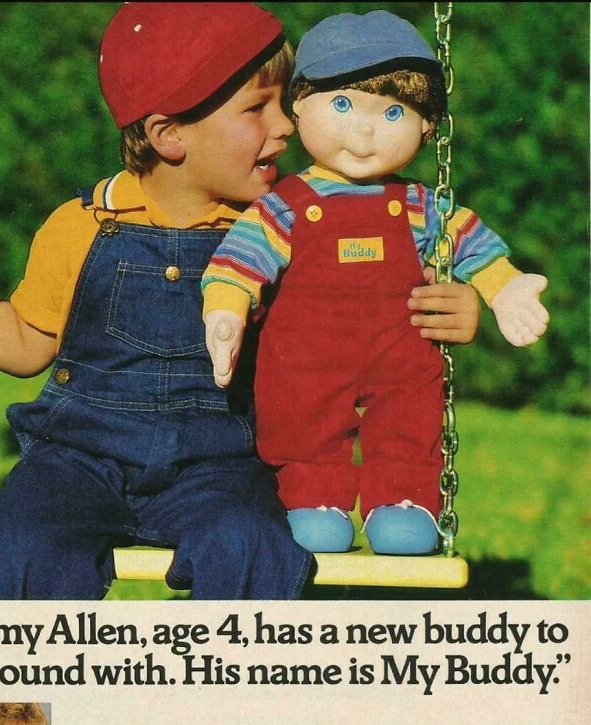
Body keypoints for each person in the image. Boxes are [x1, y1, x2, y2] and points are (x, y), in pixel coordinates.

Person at [0, 4, 479, 599]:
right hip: (77, 458)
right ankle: (35, 692)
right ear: (170, 134)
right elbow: (28, 344)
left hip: (221, 463)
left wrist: (450, 311)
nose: (286, 125)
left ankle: (232, 689)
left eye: (285, 102)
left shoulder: (282, 230)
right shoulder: (82, 224)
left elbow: (364, 321)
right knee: (19, 552)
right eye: (257, 108)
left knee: (252, 547)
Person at [202, 11, 548, 556]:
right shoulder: (287, 206)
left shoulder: (415, 204)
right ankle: (316, 498)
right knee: (306, 426)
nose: (366, 130)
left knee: (410, 423)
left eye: (393, 112)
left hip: (400, 355)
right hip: (308, 363)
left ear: (428, 127)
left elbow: (470, 240)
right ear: (300, 106)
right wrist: (224, 310)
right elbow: (239, 261)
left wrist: (505, 288)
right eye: (342, 105)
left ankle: (404, 503)